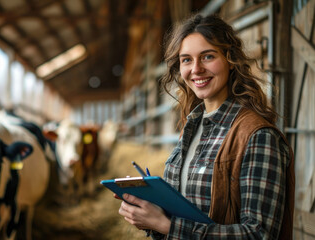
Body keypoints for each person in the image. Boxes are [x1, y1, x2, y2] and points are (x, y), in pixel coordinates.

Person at [117, 13, 294, 239]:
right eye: (186, 59)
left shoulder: (257, 135)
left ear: (230, 60)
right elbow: (183, 216)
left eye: (208, 56)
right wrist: (149, 215)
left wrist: (167, 226)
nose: (196, 69)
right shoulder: (190, 128)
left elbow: (258, 234)